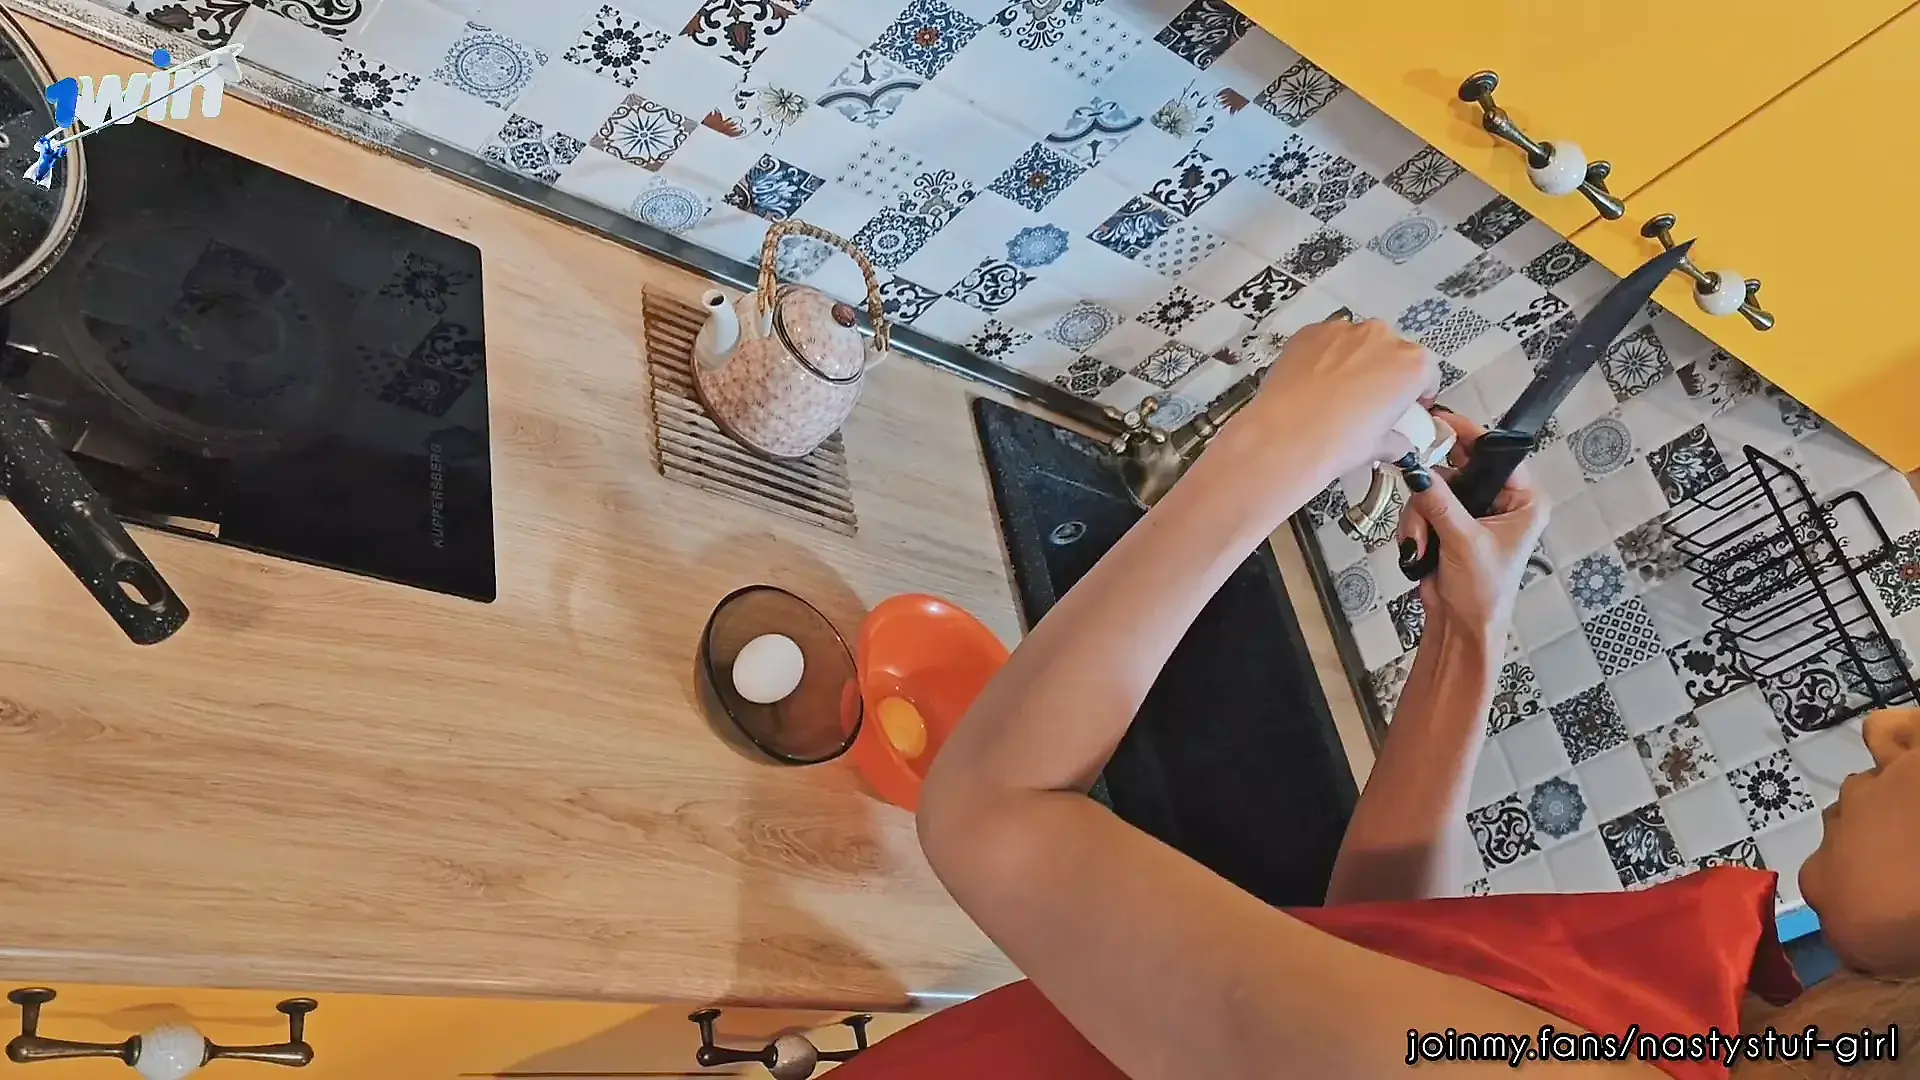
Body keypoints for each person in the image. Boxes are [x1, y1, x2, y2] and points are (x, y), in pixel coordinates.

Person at [835, 318, 1920, 1080]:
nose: (1891, 724)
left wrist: (1274, 449)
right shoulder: (1751, 1030)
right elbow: (1385, 960)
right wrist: (1467, 633)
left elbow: (993, 816)